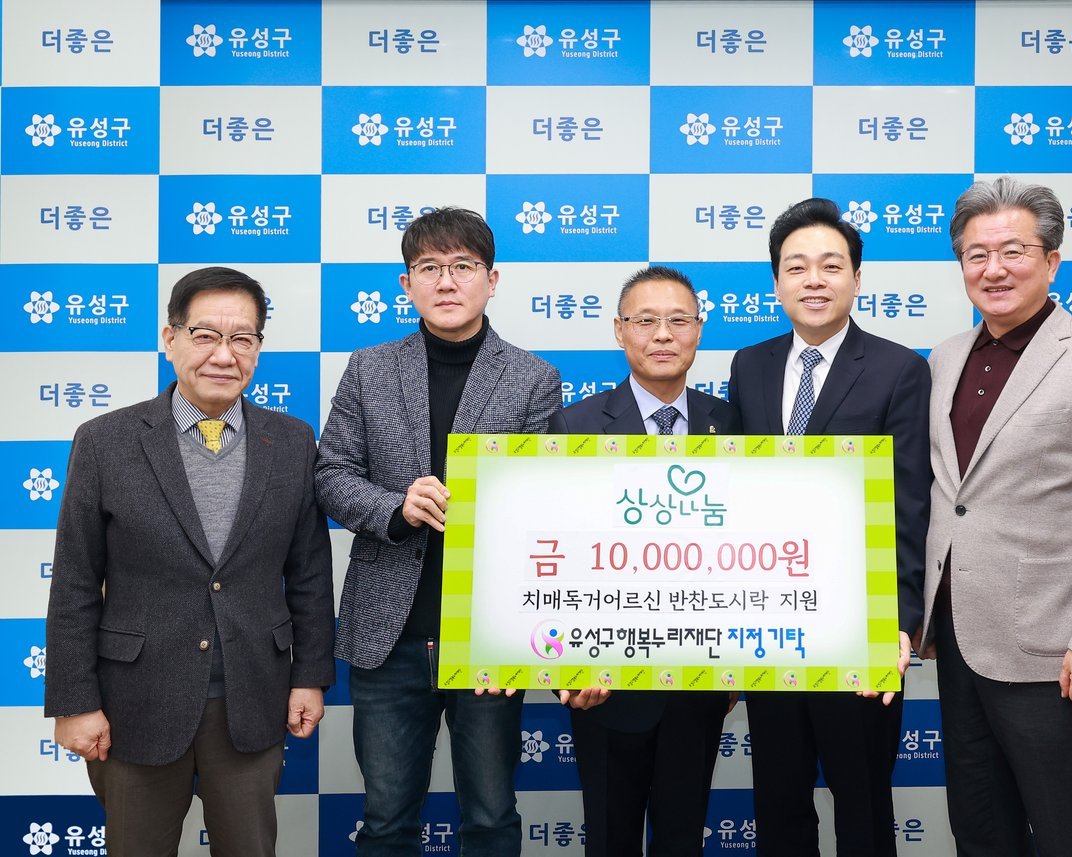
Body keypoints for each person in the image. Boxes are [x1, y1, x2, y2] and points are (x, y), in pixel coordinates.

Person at [45, 266, 335, 857]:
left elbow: (309, 574)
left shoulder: (292, 441)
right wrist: (75, 703)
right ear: (170, 338)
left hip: (253, 697)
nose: (224, 355)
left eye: (243, 338)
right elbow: (74, 581)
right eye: (205, 335)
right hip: (135, 703)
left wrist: (309, 676)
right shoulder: (105, 440)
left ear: (258, 347)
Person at [314, 207, 562, 855]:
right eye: (429, 268)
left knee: (491, 816)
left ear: (492, 279)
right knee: (386, 821)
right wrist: (396, 508)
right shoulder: (368, 368)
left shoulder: (533, 378)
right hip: (388, 635)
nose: (446, 281)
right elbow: (332, 475)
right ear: (407, 284)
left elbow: (545, 504)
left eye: (463, 266)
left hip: (487, 633)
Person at [920, 177, 1072, 857]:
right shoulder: (945, 359)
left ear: (1051, 261)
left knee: (1069, 836)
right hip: (959, 643)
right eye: (976, 255)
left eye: (1013, 251)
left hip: (1055, 653)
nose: (993, 269)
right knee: (980, 831)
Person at [728, 198, 932, 856]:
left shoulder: (900, 369)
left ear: (857, 278)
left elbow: (910, 503)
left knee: (863, 802)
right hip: (769, 622)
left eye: (831, 265)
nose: (813, 280)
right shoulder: (750, 365)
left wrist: (900, 621)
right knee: (779, 799)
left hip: (858, 622)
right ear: (776, 282)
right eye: (797, 267)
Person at [549, 266, 739, 856]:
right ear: (619, 330)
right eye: (646, 320)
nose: (662, 334)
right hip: (603, 682)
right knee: (610, 838)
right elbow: (554, 553)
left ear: (698, 330)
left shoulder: (734, 425)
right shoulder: (575, 426)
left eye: (678, 321)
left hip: (701, 680)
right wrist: (567, 665)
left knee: (684, 839)